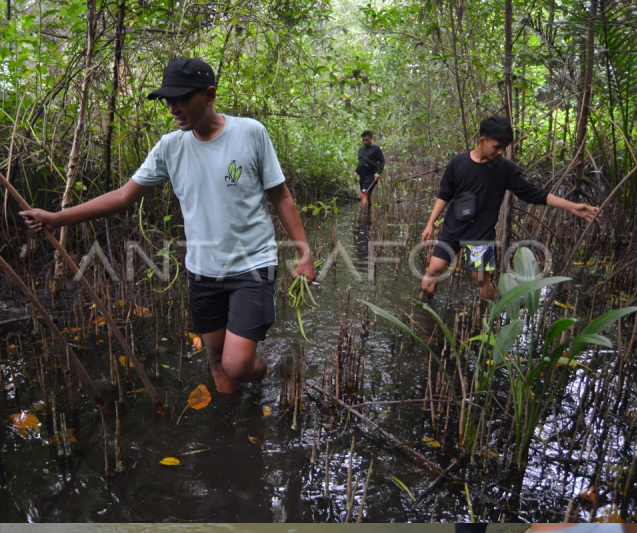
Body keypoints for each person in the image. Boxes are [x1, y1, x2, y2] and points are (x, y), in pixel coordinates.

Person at [20, 58, 315, 394]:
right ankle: (233, 432)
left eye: (182, 100)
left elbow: (281, 197)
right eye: (168, 101)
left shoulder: (250, 133)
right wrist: (58, 218)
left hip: (253, 265)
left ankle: (267, 374)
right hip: (203, 271)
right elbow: (122, 197)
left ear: (210, 95)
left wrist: (304, 253)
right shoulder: (169, 148)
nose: (174, 108)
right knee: (217, 362)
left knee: (237, 365)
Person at [419, 116, 599, 302]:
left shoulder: (505, 169)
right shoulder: (458, 163)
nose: (500, 151)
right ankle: (422, 314)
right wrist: (430, 224)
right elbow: (444, 194)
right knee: (433, 270)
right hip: (453, 229)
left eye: (503, 148)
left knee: (481, 280)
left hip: (481, 234)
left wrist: (572, 207)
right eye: (497, 146)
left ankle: (489, 317)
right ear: (482, 140)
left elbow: (533, 194)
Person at [353, 130, 385, 212]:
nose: (364, 142)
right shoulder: (361, 150)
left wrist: (378, 173)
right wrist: (356, 171)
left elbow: (382, 161)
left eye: (366, 140)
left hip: (371, 176)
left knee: (363, 195)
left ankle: (361, 218)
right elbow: (360, 162)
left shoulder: (376, 149)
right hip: (362, 176)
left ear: (371, 139)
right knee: (368, 195)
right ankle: (370, 213)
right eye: (363, 140)